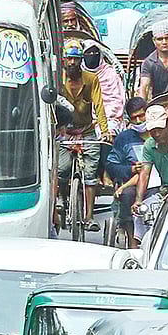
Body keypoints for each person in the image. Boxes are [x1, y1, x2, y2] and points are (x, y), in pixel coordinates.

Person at [58, 39, 111, 229]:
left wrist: (105, 131)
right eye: (69, 59)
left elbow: (99, 105)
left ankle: (89, 217)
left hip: (87, 130)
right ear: (64, 60)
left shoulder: (91, 79)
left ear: (81, 60)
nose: (72, 63)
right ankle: (61, 199)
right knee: (61, 169)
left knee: (90, 174)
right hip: (64, 131)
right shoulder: (58, 78)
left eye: (75, 59)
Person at [106, 98, 148, 239]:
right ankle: (131, 238)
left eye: (141, 116)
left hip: (160, 181)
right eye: (134, 118)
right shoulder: (124, 138)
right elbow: (111, 165)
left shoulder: (158, 133)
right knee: (127, 195)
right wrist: (131, 169)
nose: (138, 121)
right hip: (133, 182)